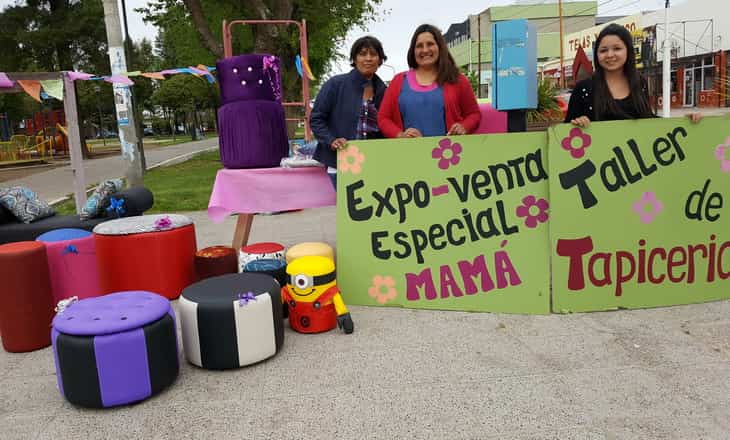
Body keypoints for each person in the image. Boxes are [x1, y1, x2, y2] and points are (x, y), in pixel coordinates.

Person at [565, 23, 702, 126]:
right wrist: (577, 123)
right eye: (603, 50)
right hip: (598, 155)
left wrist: (684, 122)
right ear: (597, 55)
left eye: (617, 48)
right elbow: (566, 131)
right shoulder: (583, 89)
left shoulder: (639, 83)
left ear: (628, 51)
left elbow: (647, 120)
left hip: (633, 155)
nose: (610, 55)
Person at [311, 35, 388, 189]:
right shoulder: (335, 84)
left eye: (373, 54)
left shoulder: (384, 91)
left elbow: (387, 125)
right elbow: (316, 119)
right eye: (362, 54)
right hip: (340, 163)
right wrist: (331, 140)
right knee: (346, 205)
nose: (368, 58)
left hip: (374, 163)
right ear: (354, 58)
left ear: (380, 60)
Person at [378, 24, 481, 139]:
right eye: (419, 46)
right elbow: (383, 118)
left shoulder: (458, 80)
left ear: (440, 47)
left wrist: (464, 127)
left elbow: (474, 114)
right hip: (407, 150)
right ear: (413, 50)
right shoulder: (398, 81)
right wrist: (400, 135)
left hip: (449, 149)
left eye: (430, 44)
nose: (425, 50)